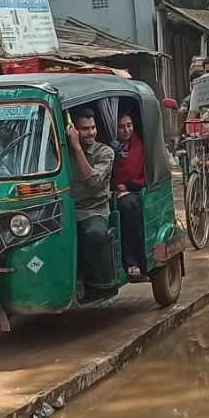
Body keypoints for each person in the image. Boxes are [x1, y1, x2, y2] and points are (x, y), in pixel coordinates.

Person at [67, 107, 117, 293]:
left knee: (96, 234)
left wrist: (77, 148)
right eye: (85, 129)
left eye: (93, 128)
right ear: (74, 129)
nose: (91, 133)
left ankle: (81, 276)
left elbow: (94, 182)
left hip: (94, 209)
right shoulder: (64, 151)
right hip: (68, 208)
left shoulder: (105, 152)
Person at [113, 111, 148, 275]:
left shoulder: (138, 145)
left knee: (128, 208)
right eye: (121, 127)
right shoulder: (109, 147)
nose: (126, 130)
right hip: (111, 190)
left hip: (134, 191)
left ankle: (133, 260)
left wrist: (127, 187)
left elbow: (141, 175)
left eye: (129, 125)